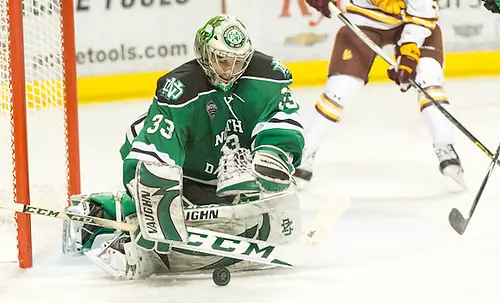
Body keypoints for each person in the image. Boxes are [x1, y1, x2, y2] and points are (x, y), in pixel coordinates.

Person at [61, 14, 305, 279]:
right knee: (176, 212)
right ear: (204, 53)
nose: (230, 70)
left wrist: (272, 152)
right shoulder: (179, 89)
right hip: (186, 168)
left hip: (223, 172)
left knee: (247, 209)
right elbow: (156, 148)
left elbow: (282, 118)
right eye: (222, 59)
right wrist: (157, 193)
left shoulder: (269, 76)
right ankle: (97, 211)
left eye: (239, 61)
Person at [294, 0, 466, 188]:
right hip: (363, 21)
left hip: (414, 23)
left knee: (428, 78)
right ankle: (305, 151)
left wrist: (408, 55)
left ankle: (445, 145)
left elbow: (423, 15)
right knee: (341, 88)